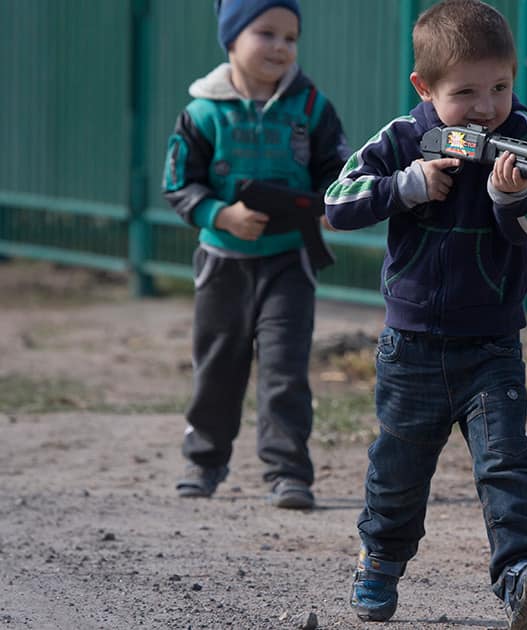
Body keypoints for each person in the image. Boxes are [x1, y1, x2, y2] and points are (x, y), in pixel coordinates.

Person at [324, 0, 527, 627]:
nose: (488, 107)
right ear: (424, 88)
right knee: (399, 468)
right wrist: (406, 185)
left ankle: (522, 575)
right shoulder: (403, 136)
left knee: (507, 464)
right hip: (410, 345)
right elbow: (338, 201)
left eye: (501, 86)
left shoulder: (524, 137)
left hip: (491, 345)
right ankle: (379, 561)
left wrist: (507, 197)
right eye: (466, 92)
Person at [162, 0, 350, 510]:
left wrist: (334, 203)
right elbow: (178, 184)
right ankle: (204, 461)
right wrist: (222, 216)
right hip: (223, 262)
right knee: (218, 367)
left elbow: (337, 171)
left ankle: (288, 472)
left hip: (290, 260)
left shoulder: (312, 108)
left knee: (285, 371)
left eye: (291, 38)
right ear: (231, 39)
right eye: (266, 33)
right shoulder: (202, 111)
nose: (281, 47)